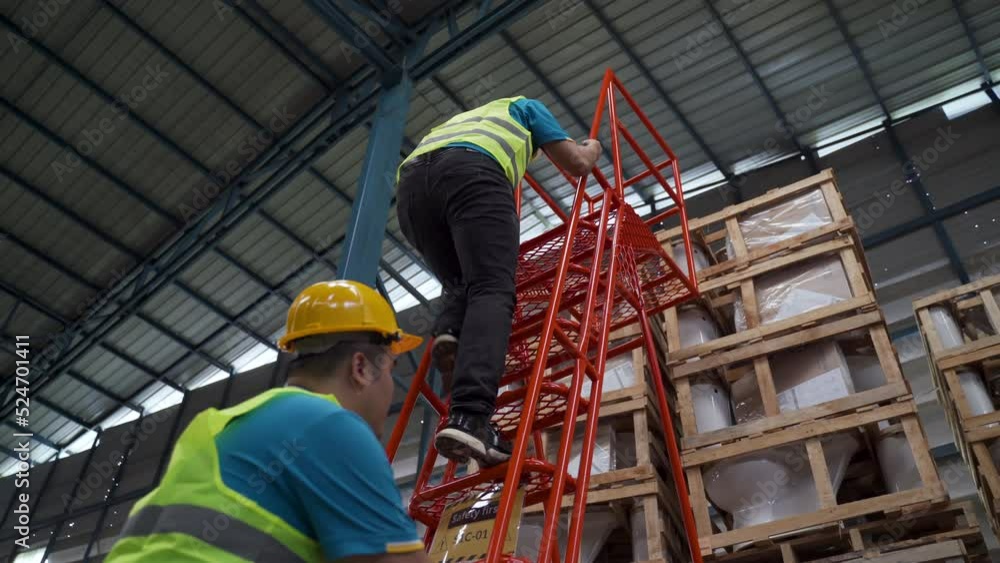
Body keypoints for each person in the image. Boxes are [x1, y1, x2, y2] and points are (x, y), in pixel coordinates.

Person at [106, 281, 429, 563]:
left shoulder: (230, 423)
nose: (391, 386)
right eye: (391, 368)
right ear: (361, 368)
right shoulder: (329, 426)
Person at [395, 96, 602, 467]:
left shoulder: (460, 122)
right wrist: (593, 145)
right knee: (491, 287)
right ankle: (470, 416)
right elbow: (579, 163)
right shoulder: (525, 106)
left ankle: (451, 330)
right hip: (473, 172)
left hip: (412, 191)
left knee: (463, 281)